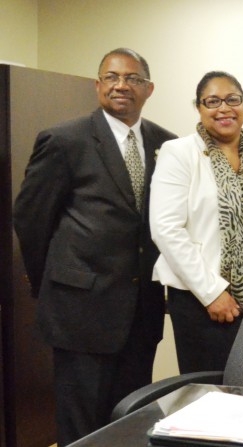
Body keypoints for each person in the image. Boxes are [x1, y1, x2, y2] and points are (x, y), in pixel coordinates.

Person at [13, 48, 176, 446]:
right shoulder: (64, 140)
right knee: (82, 426)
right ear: (98, 84)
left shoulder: (166, 144)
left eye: (133, 78)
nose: (122, 85)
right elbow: (31, 220)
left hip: (141, 312)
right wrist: (50, 281)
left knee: (131, 419)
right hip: (80, 312)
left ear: (149, 89)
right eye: (112, 77)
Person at [150, 71, 243, 375]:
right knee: (210, 396)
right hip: (200, 301)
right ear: (199, 107)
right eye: (213, 101)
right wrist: (212, 292)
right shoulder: (178, 153)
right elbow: (166, 229)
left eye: (233, 99)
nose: (224, 108)